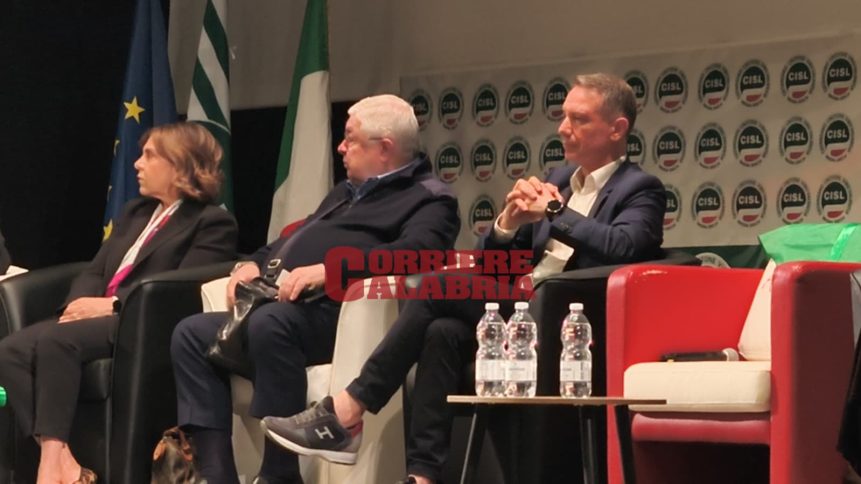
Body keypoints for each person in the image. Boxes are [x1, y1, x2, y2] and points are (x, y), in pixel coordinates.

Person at [262, 73, 666, 484]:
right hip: (523, 302)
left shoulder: (640, 189)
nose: (563, 128)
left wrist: (554, 212)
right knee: (442, 331)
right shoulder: (558, 179)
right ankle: (423, 475)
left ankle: (350, 408)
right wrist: (507, 224)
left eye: (579, 119)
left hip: (568, 316)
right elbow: (494, 265)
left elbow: (624, 247)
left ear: (617, 129)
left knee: (434, 286)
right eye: (563, 116)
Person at [169, 94, 460, 484]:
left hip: (339, 314)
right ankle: (217, 475)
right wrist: (250, 262)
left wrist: (331, 270)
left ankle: (280, 474)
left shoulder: (430, 198)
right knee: (190, 334)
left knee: (271, 324)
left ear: (384, 148)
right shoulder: (346, 192)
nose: (341, 147)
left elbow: (419, 254)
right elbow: (293, 238)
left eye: (350, 138)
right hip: (284, 305)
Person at [0, 121, 238, 484]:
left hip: (140, 324)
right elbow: (96, 270)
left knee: (55, 342)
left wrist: (112, 306)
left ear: (180, 166)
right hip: (97, 317)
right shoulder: (136, 213)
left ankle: (49, 466)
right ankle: (64, 460)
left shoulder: (212, 223)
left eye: (149, 156)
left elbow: (180, 291)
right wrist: (76, 305)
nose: (137, 164)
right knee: (9, 351)